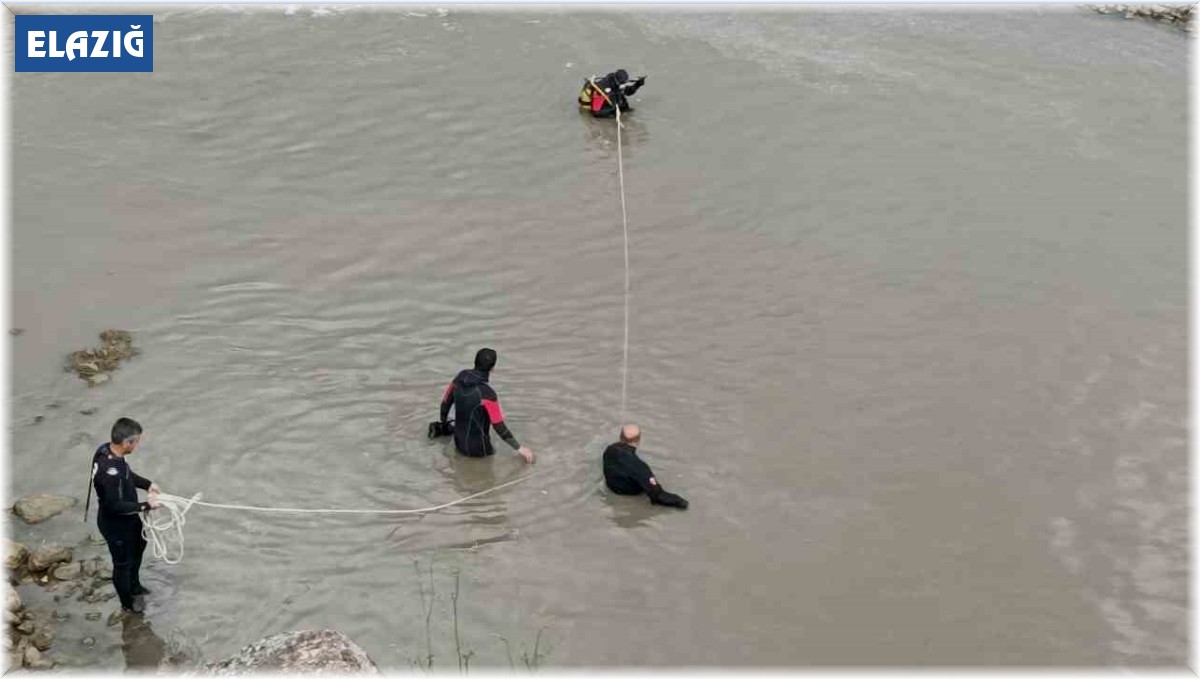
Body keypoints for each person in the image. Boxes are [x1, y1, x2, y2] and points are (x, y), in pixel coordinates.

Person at [89, 418, 162, 614]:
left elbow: (127, 474)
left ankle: (135, 586)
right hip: (115, 524)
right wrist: (147, 505)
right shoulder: (109, 472)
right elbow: (115, 506)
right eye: (136, 441)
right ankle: (127, 603)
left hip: (129, 519)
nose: (138, 444)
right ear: (127, 443)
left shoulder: (107, 450)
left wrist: (147, 484)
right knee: (122, 564)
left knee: (139, 547)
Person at [435, 348, 534, 463]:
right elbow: (499, 426)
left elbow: (445, 403)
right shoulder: (488, 394)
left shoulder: (460, 378)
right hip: (481, 452)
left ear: (475, 361)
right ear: (492, 368)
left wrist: (443, 424)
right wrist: (520, 448)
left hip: (459, 445)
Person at [602, 424, 688, 509]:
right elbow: (657, 495)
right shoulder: (639, 467)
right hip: (628, 493)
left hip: (611, 486)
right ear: (638, 440)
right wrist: (680, 501)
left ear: (620, 437)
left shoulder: (609, 449)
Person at [577, 69, 647, 118]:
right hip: (595, 107)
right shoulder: (602, 90)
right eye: (623, 83)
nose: (624, 85)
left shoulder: (616, 83)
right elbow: (596, 113)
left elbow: (627, 92)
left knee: (621, 102)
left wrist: (637, 85)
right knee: (617, 104)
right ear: (617, 81)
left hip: (607, 100)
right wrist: (612, 109)